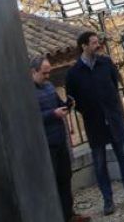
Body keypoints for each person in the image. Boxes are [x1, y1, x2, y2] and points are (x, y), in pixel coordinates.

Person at [65, 32, 124, 215]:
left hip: (113, 119)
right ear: (83, 45)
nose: (97, 45)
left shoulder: (106, 63)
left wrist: (112, 109)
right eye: (93, 43)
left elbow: (114, 87)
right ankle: (108, 201)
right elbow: (73, 99)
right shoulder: (73, 73)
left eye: (98, 42)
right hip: (94, 123)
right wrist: (88, 111)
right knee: (99, 164)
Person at [31, 56, 90, 222]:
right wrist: (52, 114)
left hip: (59, 140)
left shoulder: (49, 87)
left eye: (49, 72)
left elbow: (58, 104)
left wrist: (67, 104)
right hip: (45, 144)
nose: (48, 76)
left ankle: (68, 214)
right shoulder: (27, 93)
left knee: (65, 178)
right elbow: (30, 118)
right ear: (33, 72)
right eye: (44, 73)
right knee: (52, 182)